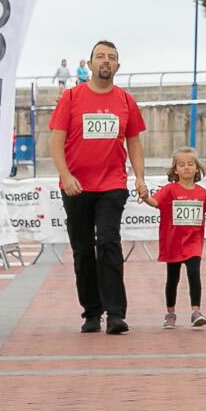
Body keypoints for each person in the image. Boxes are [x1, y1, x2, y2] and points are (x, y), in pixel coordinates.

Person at [48, 40, 148, 334]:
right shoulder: (71, 97)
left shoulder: (126, 101)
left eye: (112, 57)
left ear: (118, 66)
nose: (106, 61)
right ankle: (92, 312)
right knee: (82, 249)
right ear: (89, 65)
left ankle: (116, 313)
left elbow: (134, 142)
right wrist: (66, 176)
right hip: (76, 186)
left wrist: (140, 177)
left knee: (108, 241)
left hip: (112, 185)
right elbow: (55, 140)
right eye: (100, 57)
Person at [142, 147, 206, 329]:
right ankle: (170, 313)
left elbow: (203, 213)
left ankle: (196, 311)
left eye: (190, 164)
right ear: (175, 170)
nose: (186, 167)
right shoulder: (169, 190)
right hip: (173, 242)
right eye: (181, 164)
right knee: (173, 279)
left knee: (194, 273)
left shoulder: (203, 193)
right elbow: (155, 202)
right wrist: (144, 195)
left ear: (197, 168)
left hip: (193, 242)